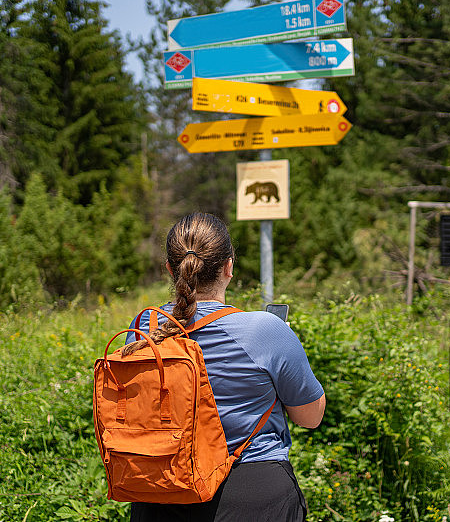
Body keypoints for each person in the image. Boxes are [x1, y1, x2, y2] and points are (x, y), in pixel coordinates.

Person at [124, 212, 326, 522]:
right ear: (228, 267)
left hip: (160, 490)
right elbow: (310, 417)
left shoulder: (144, 326)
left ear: (170, 269)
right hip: (253, 494)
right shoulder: (265, 330)